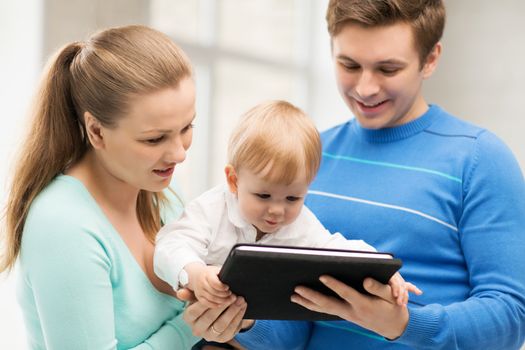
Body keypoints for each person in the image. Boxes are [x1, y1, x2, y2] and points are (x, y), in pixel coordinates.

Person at [182, 1, 525, 349]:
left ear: (431, 58)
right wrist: (241, 323)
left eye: (388, 69)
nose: (365, 88)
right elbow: (299, 312)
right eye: (349, 64)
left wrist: (404, 323)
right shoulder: (310, 157)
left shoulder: (480, 159)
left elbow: (512, 315)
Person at [0, 25, 203, 349]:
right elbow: (193, 323)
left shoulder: (163, 196)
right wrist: (192, 327)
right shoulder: (63, 225)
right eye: (154, 138)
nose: (179, 153)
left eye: (187, 127)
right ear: (96, 131)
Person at [154, 100, 420, 310]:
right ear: (234, 181)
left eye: (293, 198)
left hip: (251, 324)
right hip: (198, 322)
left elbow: (336, 249)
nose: (277, 211)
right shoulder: (212, 209)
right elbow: (171, 244)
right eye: (263, 196)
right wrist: (196, 274)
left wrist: (382, 270)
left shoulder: (301, 222)